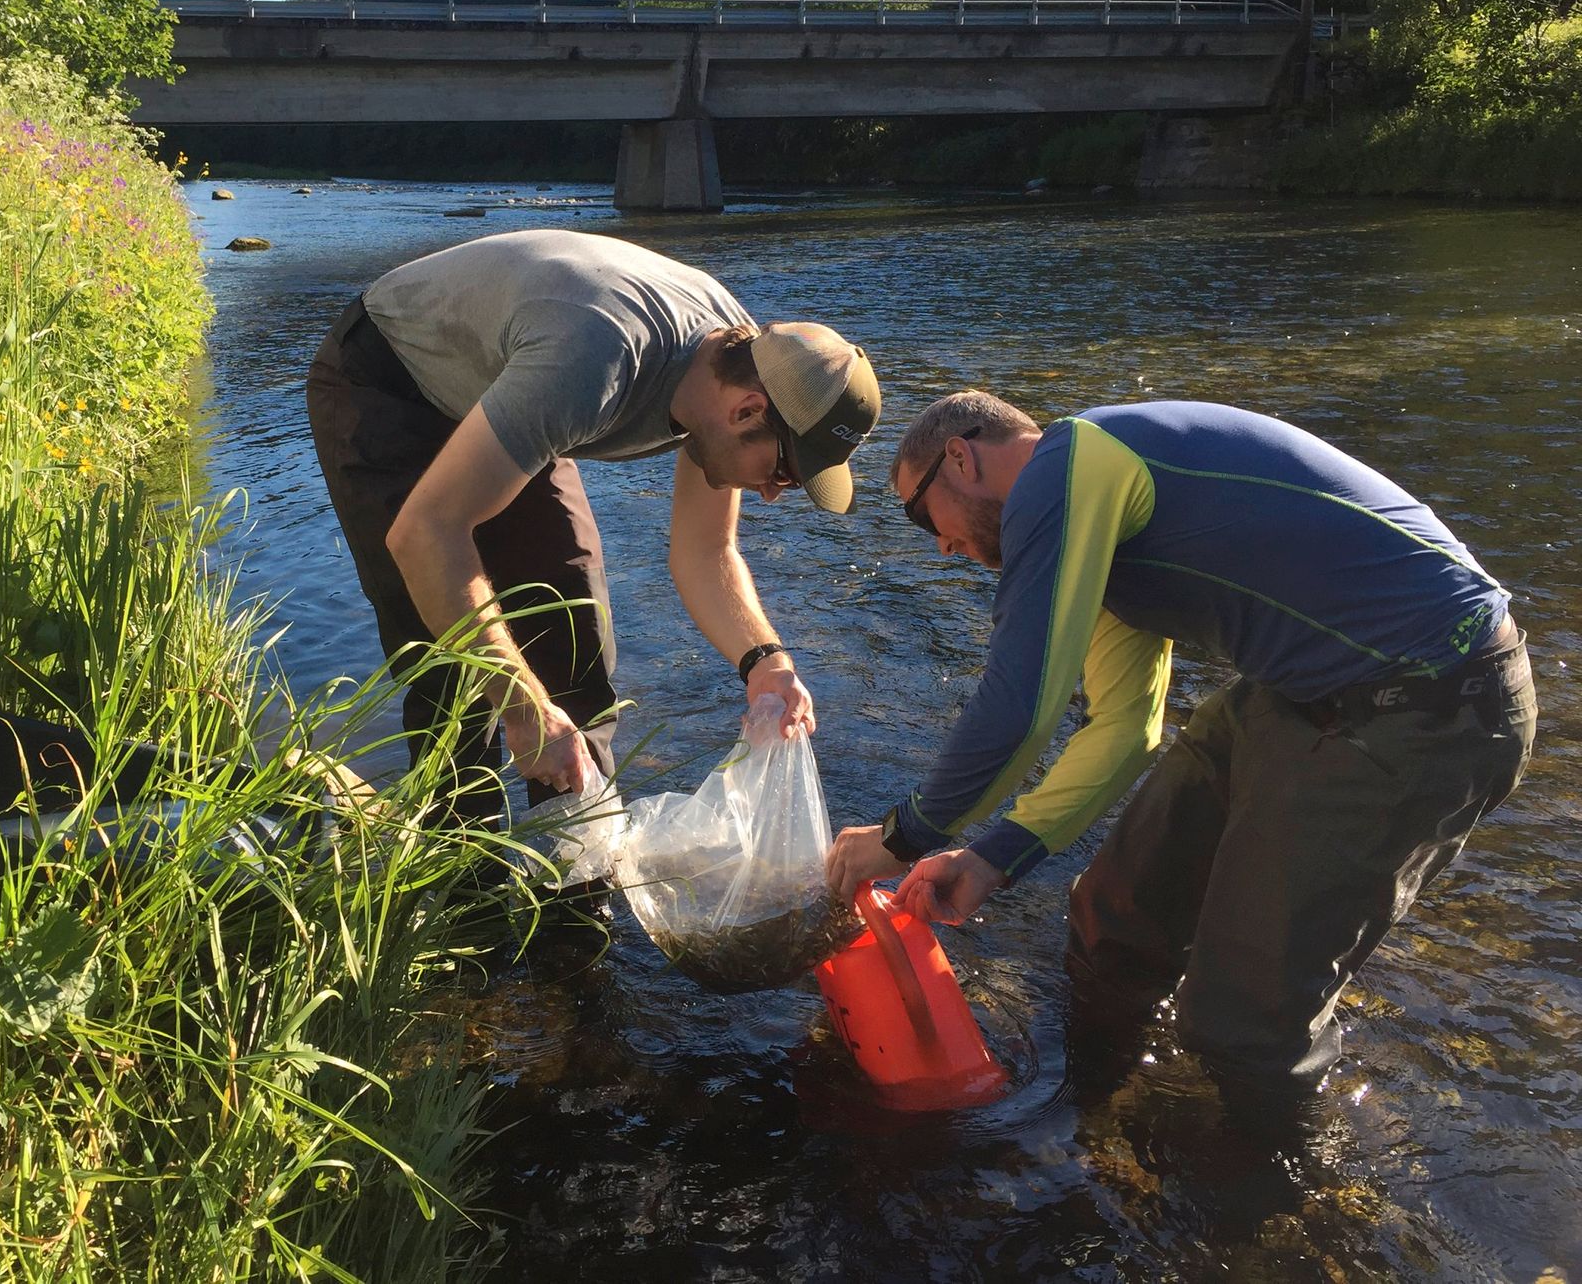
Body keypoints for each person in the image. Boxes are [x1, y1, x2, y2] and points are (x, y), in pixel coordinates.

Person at [826, 392, 1535, 1097]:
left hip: (1434, 696)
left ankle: (1262, 1188)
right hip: (1294, 693)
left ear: (961, 455)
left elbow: (1020, 705)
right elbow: (1124, 730)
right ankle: (1099, 1106)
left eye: (926, 518)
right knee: (1115, 921)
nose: (944, 546)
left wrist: (903, 836)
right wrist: (991, 858)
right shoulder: (1092, 531)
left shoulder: (1073, 461)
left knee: (1243, 1022)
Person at [305, 229, 880, 819]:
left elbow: (707, 550)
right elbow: (425, 534)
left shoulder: (742, 363)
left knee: (572, 637)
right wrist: (524, 707)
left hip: (511, 381)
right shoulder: (593, 362)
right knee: (456, 678)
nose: (771, 493)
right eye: (783, 470)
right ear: (747, 412)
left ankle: (576, 887)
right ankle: (466, 887)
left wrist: (767, 663)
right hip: (388, 378)